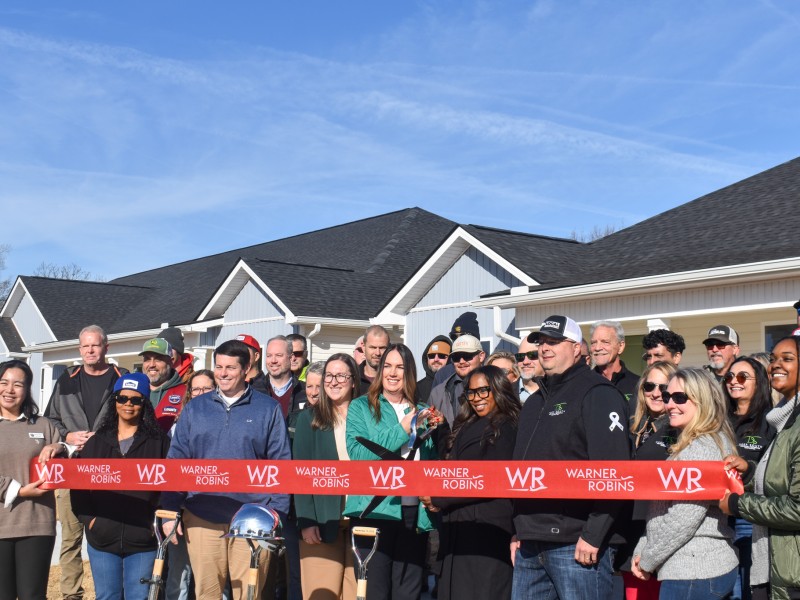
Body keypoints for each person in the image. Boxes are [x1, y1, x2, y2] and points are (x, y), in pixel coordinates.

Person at [511, 315, 631, 600]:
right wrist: (516, 531)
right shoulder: (534, 402)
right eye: (542, 342)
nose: (545, 348)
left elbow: (615, 472)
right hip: (530, 542)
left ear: (577, 347)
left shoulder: (598, 393)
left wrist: (594, 533)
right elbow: (518, 473)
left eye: (555, 341)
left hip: (576, 544)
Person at [162, 339, 291, 600]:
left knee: (249, 594)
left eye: (230, 368)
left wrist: (276, 514)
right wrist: (169, 510)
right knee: (207, 593)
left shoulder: (268, 409)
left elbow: (280, 465)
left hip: (253, 518)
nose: (223, 373)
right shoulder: (195, 409)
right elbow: (177, 461)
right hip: (202, 514)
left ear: (246, 369)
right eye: (219, 367)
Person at [632, 368, 738, 599]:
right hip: (694, 567)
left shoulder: (700, 448)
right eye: (668, 397)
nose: (670, 404)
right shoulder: (697, 442)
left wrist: (648, 558)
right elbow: (664, 511)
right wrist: (644, 546)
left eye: (680, 398)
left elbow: (682, 520)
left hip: (694, 570)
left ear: (702, 401)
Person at [345, 343, 439, 600]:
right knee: (374, 592)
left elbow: (428, 462)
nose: (393, 373)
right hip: (373, 512)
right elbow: (359, 455)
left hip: (413, 515)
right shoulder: (361, 406)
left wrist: (434, 434)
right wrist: (402, 428)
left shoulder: (422, 409)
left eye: (400, 367)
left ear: (409, 372)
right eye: (387, 366)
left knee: (408, 594)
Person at [45, 324, 127, 600]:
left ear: (107, 348)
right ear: (79, 349)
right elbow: (50, 420)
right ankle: (72, 594)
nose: (90, 350)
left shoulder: (122, 378)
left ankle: (113, 592)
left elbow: (134, 418)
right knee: (70, 537)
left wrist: (103, 437)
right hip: (72, 466)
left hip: (109, 468)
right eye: (85, 346)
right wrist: (68, 435)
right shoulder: (66, 380)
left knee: (109, 533)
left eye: (95, 345)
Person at [71, 373, 171, 600]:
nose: (128, 404)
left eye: (136, 400)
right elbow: (78, 486)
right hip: (102, 539)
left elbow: (169, 487)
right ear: (114, 401)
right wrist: (91, 521)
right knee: (107, 596)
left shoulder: (160, 443)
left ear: (145, 404)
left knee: (139, 596)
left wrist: (152, 523)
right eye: (122, 398)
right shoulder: (96, 442)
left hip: (143, 540)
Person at [424, 365, 520, 600]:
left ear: (498, 390)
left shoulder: (507, 426)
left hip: (486, 531)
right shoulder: (466, 422)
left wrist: (439, 497)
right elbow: (456, 465)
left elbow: (487, 476)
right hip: (458, 527)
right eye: (471, 392)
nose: (476, 399)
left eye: (483, 391)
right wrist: (443, 429)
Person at [721, 336, 800, 599]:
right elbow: (781, 481)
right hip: (773, 561)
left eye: (787, 359)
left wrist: (737, 504)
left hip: (791, 572)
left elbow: (797, 508)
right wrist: (751, 471)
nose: (776, 364)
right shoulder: (784, 421)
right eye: (774, 358)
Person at [293, 354, 361, 600]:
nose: (333, 381)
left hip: (360, 518)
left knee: (356, 594)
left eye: (341, 375)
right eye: (329, 376)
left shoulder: (367, 416)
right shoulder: (308, 419)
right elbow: (300, 474)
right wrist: (306, 520)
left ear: (353, 381)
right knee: (321, 593)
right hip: (321, 520)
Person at [0, 360, 61, 600]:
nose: (9, 390)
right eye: (4, 382)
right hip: (1, 525)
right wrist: (18, 490)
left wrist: (59, 446)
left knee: (32, 596)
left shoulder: (43, 425)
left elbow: (66, 460)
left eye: (18, 384)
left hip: (37, 523)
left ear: (27, 390)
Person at [620, 361, 677, 600]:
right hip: (627, 529)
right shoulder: (632, 426)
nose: (655, 393)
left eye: (663, 388)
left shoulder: (679, 429)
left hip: (657, 532)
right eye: (650, 386)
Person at [723, 357, 775, 600]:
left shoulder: (772, 421)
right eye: (730, 377)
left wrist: (748, 467)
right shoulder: (717, 420)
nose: (734, 381)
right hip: (717, 514)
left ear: (759, 382)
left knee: (746, 590)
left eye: (742, 377)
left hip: (750, 516)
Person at [165, 369, 216, 600]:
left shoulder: (225, 422)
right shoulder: (178, 426)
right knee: (179, 575)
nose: (201, 393)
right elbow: (172, 469)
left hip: (212, 509)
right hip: (182, 506)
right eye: (196, 389)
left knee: (214, 579)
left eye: (207, 388)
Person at [429, 334, 486, 426]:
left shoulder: (496, 385)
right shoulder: (437, 393)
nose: (462, 361)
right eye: (456, 357)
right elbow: (429, 428)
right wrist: (439, 425)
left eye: (467, 355)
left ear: (481, 356)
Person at [139, 337, 187, 431]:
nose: (152, 364)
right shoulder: (133, 391)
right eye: (147, 359)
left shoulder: (185, 393)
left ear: (171, 361)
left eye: (158, 359)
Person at [591, 320, 639, 411]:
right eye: (593, 342)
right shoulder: (583, 383)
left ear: (620, 347)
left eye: (605, 342)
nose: (597, 348)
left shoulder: (637, 385)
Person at [416, 335, 452, 403]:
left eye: (441, 356)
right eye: (431, 356)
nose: (436, 359)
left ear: (450, 359)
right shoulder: (416, 388)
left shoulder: (457, 385)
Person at [359, 325, 390, 392]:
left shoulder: (394, 380)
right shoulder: (352, 378)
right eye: (373, 347)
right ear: (363, 347)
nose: (377, 353)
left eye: (382, 348)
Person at [515, 332, 542, 403]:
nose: (525, 362)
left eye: (532, 355)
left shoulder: (558, 390)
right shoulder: (505, 393)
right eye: (520, 356)